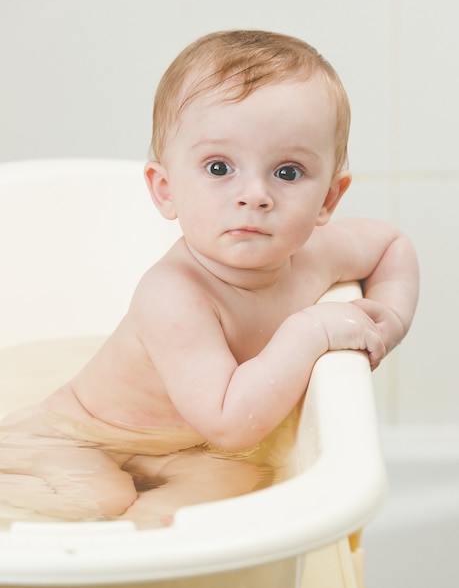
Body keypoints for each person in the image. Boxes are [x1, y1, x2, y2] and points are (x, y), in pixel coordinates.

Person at [0, 29, 419, 528]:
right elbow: (230, 421)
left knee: (239, 484)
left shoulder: (316, 255)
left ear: (329, 198)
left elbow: (393, 246)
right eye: (219, 167)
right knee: (102, 496)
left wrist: (389, 321)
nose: (254, 195)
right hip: (75, 436)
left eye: (288, 172)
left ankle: (152, 559)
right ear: (165, 189)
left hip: (182, 445)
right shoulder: (174, 295)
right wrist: (312, 330)